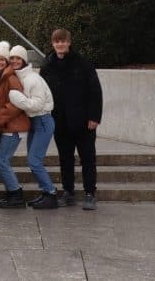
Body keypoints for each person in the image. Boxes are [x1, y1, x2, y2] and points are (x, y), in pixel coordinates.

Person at [41, 28, 103, 211]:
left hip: (83, 121)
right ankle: (68, 192)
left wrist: (94, 117)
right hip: (60, 121)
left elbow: (95, 91)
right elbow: (42, 93)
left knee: (88, 159)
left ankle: (90, 193)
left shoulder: (83, 63)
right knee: (65, 159)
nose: (60, 44)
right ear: (53, 43)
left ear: (69, 42)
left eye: (63, 41)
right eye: (57, 41)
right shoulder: (47, 65)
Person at [7, 45, 58, 209]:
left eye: (18, 58)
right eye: (12, 58)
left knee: (34, 161)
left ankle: (51, 193)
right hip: (35, 122)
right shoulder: (20, 77)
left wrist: (18, 99)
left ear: (23, 60)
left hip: (42, 120)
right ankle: (44, 192)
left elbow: (38, 104)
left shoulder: (32, 79)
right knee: (33, 160)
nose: (15, 61)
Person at [0, 41, 29, 209]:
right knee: (1, 160)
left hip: (12, 127)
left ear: (6, 62)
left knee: (1, 161)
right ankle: (12, 193)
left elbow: (17, 104)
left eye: (2, 59)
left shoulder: (11, 78)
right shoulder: (2, 77)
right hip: (8, 126)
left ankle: (16, 195)